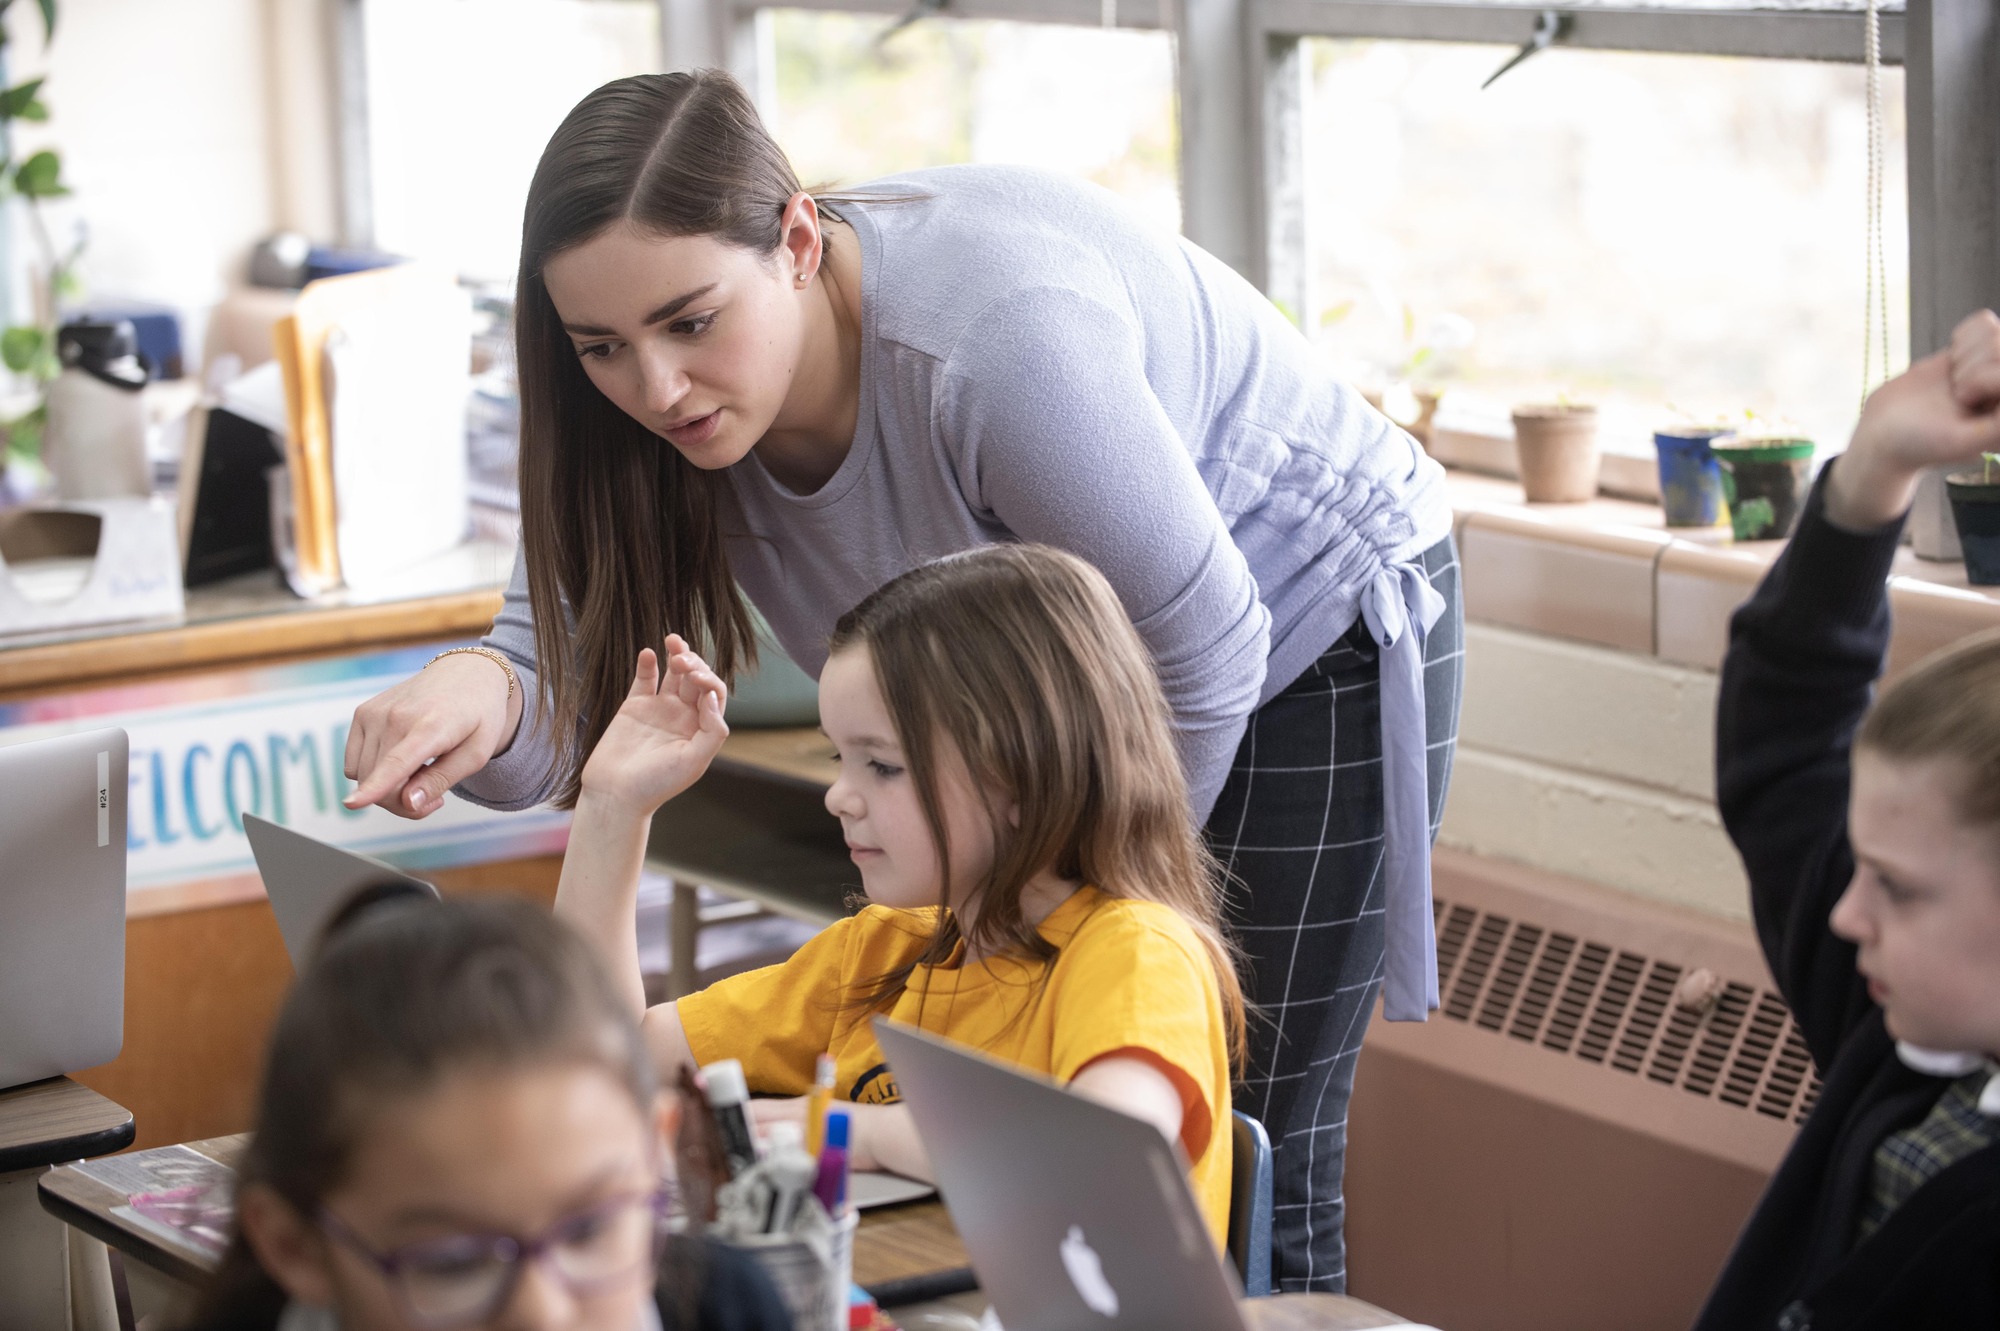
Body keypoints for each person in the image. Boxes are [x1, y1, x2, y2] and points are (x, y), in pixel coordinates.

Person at [343, 68, 1460, 1290]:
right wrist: (476, 687)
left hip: (1296, 619)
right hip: (1040, 739)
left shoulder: (998, 342)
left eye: (690, 322)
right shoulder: (636, 411)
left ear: (797, 241)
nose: (654, 389)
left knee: (1252, 1137)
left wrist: (1067, 910)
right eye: (602, 347)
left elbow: (1198, 646)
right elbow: (553, 682)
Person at [553, 544, 1246, 1245]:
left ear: (1017, 773)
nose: (838, 795)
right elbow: (606, 1057)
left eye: (881, 764)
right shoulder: (881, 949)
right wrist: (611, 807)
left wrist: (869, 1133)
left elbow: (1104, 1164)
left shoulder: (1134, 950)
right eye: (839, 757)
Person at [1698, 309, 2000, 1329]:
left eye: (1898, 886)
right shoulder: (1911, 1037)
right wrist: (1869, 476)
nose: (1841, 914)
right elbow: (1783, 748)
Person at [182, 889, 792, 1331]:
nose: (541, 1313)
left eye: (589, 1230)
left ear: (660, 1149)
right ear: (295, 1247)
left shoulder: (728, 1309)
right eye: (452, 1263)